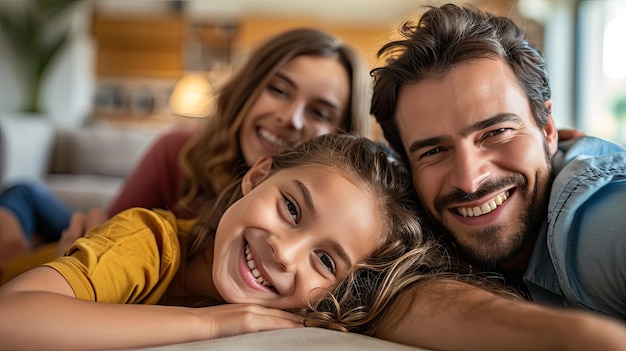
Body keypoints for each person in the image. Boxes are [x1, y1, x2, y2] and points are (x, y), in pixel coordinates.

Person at [0, 134, 439, 350]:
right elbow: (10, 318)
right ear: (257, 175)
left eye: (325, 260)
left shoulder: (307, 310)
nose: (284, 253)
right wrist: (213, 325)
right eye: (290, 208)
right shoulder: (151, 240)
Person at [0, 27, 371, 275]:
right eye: (278, 89)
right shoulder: (178, 149)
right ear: (247, 91)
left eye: (320, 112)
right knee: (23, 193)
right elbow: (108, 238)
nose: (291, 118)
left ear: (342, 136)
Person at [369, 0, 626, 327]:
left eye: (496, 132)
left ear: (547, 130)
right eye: (434, 151)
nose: (469, 180)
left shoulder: (599, 222)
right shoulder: (412, 235)